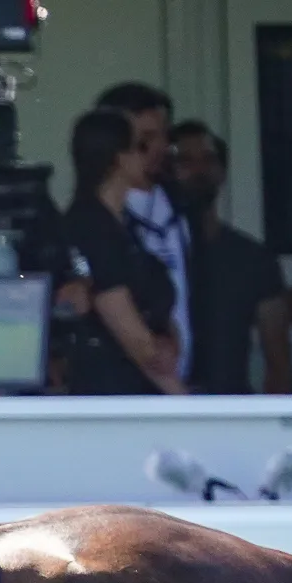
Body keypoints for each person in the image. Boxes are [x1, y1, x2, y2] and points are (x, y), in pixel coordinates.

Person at [61, 107, 185, 395]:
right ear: (118, 158)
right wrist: (187, 405)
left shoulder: (122, 226)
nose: (151, 155)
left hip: (137, 390)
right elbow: (137, 342)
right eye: (140, 146)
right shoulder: (92, 228)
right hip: (114, 396)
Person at [170, 120, 292, 394]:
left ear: (222, 171)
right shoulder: (148, 254)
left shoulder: (253, 259)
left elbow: (279, 364)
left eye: (208, 160)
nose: (198, 171)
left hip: (231, 410)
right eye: (185, 161)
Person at [95, 83, 191, 385]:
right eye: (144, 140)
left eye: (163, 135)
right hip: (130, 384)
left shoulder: (185, 205)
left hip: (188, 378)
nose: (158, 148)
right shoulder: (100, 217)